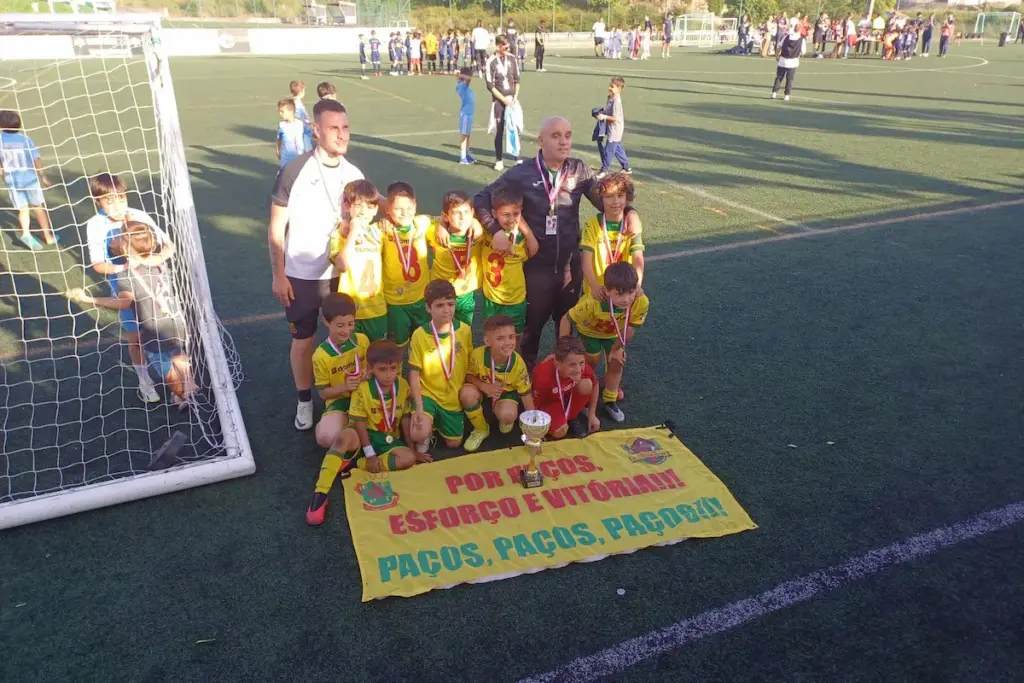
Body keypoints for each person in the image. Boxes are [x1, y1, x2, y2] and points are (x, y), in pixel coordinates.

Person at [472, 116, 642, 368]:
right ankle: (523, 379)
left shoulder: (579, 170)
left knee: (569, 326)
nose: (564, 141)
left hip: (569, 267)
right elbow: (481, 197)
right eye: (556, 136)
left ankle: (567, 379)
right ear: (540, 141)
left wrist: (631, 212)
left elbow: (606, 200)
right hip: (536, 268)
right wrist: (494, 229)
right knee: (531, 330)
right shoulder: (522, 173)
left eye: (568, 135)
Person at [269, 98, 366, 431]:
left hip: (342, 274)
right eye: (333, 128)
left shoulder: (354, 174)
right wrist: (278, 274)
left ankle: (346, 392)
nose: (341, 135)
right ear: (316, 130)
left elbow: (368, 212)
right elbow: (276, 226)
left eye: (345, 128)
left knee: (348, 334)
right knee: (305, 340)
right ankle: (305, 400)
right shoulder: (294, 170)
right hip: (301, 274)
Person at [67, 221, 194, 407]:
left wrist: (88, 299)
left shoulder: (126, 275)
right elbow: (167, 248)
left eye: (119, 238)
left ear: (125, 246)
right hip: (176, 321)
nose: (115, 241)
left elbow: (124, 302)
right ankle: (191, 384)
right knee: (178, 355)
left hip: (154, 330)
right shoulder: (160, 263)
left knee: (166, 369)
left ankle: (183, 396)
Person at [306, 339, 423, 526]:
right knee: (342, 438)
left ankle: (353, 463)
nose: (389, 374)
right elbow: (359, 422)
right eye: (382, 370)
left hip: (388, 439)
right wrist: (369, 453)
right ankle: (320, 495)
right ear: (371, 369)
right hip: (363, 437)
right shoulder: (362, 388)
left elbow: (406, 417)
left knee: (407, 458)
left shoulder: (403, 386)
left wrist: (412, 448)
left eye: (393, 368)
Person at [84, 173, 173, 403]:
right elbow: (98, 265)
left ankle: (177, 384)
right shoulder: (95, 225)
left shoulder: (139, 216)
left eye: (120, 198)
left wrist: (150, 261)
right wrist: (123, 267)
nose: (117, 205)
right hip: (126, 289)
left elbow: (168, 246)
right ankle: (146, 382)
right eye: (109, 200)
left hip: (154, 287)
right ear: (98, 201)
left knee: (165, 332)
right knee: (135, 338)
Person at [569, 261, 648, 423]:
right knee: (591, 360)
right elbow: (567, 318)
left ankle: (610, 398)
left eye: (631, 293)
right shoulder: (592, 301)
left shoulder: (641, 301)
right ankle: (581, 396)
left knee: (617, 361)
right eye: (619, 294)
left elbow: (629, 329)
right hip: (589, 332)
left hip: (614, 334)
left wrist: (617, 349)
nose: (626, 300)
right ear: (606, 291)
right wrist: (564, 348)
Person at [408, 280, 474, 450]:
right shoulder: (419, 335)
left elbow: (469, 363)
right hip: (427, 394)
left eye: (450, 304)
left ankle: (435, 423)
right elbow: (414, 373)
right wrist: (420, 407)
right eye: (439, 305)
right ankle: (426, 424)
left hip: (452, 396)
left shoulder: (464, 330)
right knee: (418, 435)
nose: (446, 310)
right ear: (428, 308)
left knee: (454, 444)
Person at [461, 314, 535, 451]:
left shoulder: (518, 364)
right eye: (500, 338)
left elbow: (526, 395)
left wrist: (534, 433)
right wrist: (484, 386)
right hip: (483, 390)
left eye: (511, 337)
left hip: (506, 394)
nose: (508, 343)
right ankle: (481, 429)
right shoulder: (477, 355)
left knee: (508, 417)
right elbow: (469, 376)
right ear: (487, 341)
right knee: (466, 393)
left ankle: (503, 415)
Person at [330, 179, 387, 342]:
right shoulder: (340, 234)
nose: (363, 212)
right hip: (350, 311)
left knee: (378, 357)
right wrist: (353, 231)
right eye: (358, 205)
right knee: (352, 357)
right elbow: (342, 265)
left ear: (376, 209)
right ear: (347, 206)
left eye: (369, 207)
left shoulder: (379, 231)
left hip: (377, 309)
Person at [480, 184, 539, 340]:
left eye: (516, 214)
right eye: (505, 214)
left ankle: (514, 365)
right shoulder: (486, 232)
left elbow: (530, 252)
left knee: (514, 339)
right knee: (490, 338)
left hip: (515, 299)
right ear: (494, 213)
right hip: (492, 298)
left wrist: (530, 237)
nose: (511, 219)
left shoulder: (524, 239)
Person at [312, 293, 369, 449]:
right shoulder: (320, 356)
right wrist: (345, 387)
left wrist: (367, 374)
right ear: (325, 321)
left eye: (350, 324)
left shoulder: (362, 340)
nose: (346, 330)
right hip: (341, 400)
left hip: (366, 396)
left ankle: (352, 429)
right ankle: (336, 424)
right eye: (340, 325)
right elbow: (323, 393)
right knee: (326, 437)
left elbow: (371, 369)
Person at [380, 182, 435, 347]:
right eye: (398, 209)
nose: (405, 213)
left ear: (415, 205)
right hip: (396, 302)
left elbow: (446, 219)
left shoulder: (423, 222)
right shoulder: (382, 230)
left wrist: (474, 224)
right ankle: (395, 372)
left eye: (409, 208)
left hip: (422, 298)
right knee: (397, 346)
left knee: (425, 343)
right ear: (387, 209)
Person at [580, 172, 645, 300]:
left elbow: (638, 258)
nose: (615, 201)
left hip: (624, 293)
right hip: (597, 291)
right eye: (609, 196)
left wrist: (637, 284)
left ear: (627, 198)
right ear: (600, 199)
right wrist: (595, 287)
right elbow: (585, 261)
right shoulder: (592, 223)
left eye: (620, 196)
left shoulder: (633, 225)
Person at [0, 110, 54, 250]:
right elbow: (36, 160)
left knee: (23, 209)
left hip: (12, 181)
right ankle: (48, 236)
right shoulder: (25, 139)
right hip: (29, 180)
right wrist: (43, 177)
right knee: (38, 208)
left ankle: (26, 234)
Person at [530, 336, 599, 439]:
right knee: (559, 432)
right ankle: (564, 416)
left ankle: (572, 415)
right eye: (572, 365)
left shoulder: (580, 367)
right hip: (551, 401)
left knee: (586, 384)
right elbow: (534, 403)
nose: (578, 369)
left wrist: (592, 414)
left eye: (581, 363)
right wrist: (536, 428)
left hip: (569, 396)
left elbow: (595, 384)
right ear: (557, 364)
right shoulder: (544, 378)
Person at [432, 190, 482, 326]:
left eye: (466, 212)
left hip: (466, 292)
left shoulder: (479, 233)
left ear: (472, 213)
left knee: (463, 331)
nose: (462, 217)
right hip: (440, 292)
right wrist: (441, 225)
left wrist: (475, 222)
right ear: (446, 216)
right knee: (440, 330)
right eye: (456, 213)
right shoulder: (433, 230)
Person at [484, 35, 521, 171]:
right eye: (505, 48)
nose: (507, 50)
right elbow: (489, 85)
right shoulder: (491, 61)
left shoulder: (512, 58)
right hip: (499, 101)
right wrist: (503, 99)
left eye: (508, 47)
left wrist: (514, 97)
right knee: (499, 131)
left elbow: (517, 80)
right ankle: (499, 159)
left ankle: (517, 157)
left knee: (514, 129)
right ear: (498, 46)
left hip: (512, 100)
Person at [596, 77, 632, 177]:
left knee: (609, 149)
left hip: (615, 129)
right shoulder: (611, 98)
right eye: (610, 86)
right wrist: (601, 112)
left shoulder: (616, 101)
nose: (609, 88)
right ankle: (626, 167)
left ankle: (604, 169)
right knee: (617, 148)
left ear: (619, 88)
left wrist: (604, 117)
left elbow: (615, 118)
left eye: (612, 87)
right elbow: (608, 112)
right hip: (612, 128)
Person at [771, 23, 803, 102]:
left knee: (779, 77)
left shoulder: (786, 37)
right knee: (789, 79)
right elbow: (803, 51)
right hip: (793, 62)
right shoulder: (801, 39)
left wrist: (777, 55)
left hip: (783, 60)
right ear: (800, 30)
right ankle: (787, 95)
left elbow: (779, 46)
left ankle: (774, 93)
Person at [276, 99, 310, 168]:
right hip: (285, 159)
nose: (280, 114)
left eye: (282, 112)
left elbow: (310, 134)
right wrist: (277, 150)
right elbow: (278, 139)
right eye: (279, 111)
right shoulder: (281, 125)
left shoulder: (301, 124)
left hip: (299, 158)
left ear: (291, 111)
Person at [455, 67, 476, 165]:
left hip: (469, 114)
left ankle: (467, 154)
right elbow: (468, 79)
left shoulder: (462, 85)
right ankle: (462, 157)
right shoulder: (462, 86)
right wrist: (461, 75)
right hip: (465, 114)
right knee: (464, 136)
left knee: (468, 135)